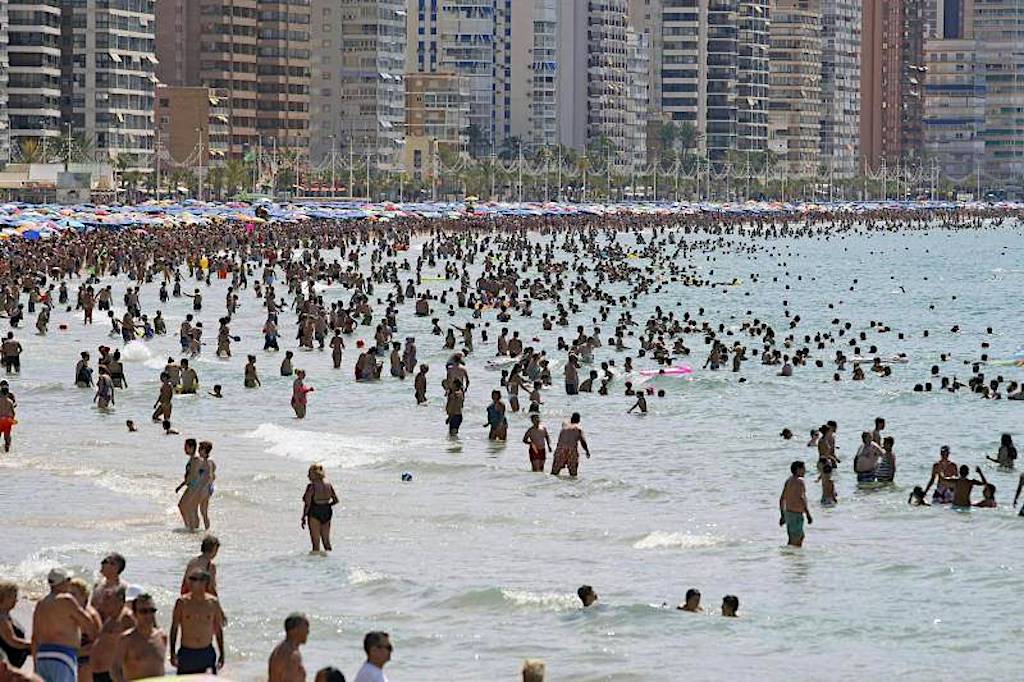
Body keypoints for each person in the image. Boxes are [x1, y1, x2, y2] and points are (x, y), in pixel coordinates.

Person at [32, 569, 99, 682]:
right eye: (68, 580)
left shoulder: (41, 604)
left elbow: (34, 638)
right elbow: (87, 622)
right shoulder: (66, 600)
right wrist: (95, 640)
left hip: (42, 655)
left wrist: (35, 663)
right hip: (62, 655)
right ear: (63, 582)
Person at [169, 570, 225, 675]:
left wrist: (222, 653)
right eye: (190, 579)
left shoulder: (213, 603)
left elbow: (218, 629)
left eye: (194, 579)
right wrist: (172, 653)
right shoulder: (182, 603)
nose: (190, 582)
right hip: (187, 652)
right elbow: (174, 628)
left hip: (206, 652)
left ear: (205, 582)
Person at [112, 593, 167, 681]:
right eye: (143, 611)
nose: (148, 615)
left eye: (152, 610)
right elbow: (115, 669)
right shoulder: (127, 639)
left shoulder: (162, 637)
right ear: (135, 614)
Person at [88, 586, 134, 682]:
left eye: (108, 599)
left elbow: (137, 642)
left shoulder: (126, 617)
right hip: (98, 673)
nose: (103, 603)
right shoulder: (111, 618)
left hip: (111, 674)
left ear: (120, 601)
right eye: (104, 599)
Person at [302, 464, 339, 553]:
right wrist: (327, 505)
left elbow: (307, 503)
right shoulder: (328, 485)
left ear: (314, 474)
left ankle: (317, 566)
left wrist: (303, 517)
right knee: (326, 542)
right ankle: (330, 562)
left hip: (315, 511)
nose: (308, 476)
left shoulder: (311, 486)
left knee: (316, 544)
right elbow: (336, 500)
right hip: (327, 511)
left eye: (309, 474)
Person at [779, 461, 812, 547]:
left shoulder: (788, 481)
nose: (805, 471)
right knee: (798, 538)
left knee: (793, 538)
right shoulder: (800, 482)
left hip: (788, 513)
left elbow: (782, 498)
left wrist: (782, 515)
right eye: (803, 469)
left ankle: (792, 557)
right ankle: (795, 557)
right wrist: (808, 514)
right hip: (796, 514)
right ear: (798, 470)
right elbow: (801, 498)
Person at [267, 613, 308, 682]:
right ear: (294, 630)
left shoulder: (280, 649)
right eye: (305, 627)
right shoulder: (292, 654)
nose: (307, 631)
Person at [0, 582, 30, 670]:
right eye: (13, 597)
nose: (16, 600)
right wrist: (33, 644)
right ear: (3, 598)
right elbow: (12, 641)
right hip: (6, 667)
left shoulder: (6, 615)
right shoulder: (1, 619)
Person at [551, 413, 591, 478]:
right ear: (578, 420)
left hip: (560, 449)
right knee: (573, 474)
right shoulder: (579, 428)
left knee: (554, 473)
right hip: (572, 450)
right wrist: (587, 451)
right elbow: (583, 441)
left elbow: (567, 423)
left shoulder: (564, 424)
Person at [0, 385, 15, 452]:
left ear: (1, 393)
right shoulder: (10, 402)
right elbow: (13, 413)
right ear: (7, 393)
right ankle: (7, 450)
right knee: (7, 436)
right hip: (7, 421)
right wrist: (11, 421)